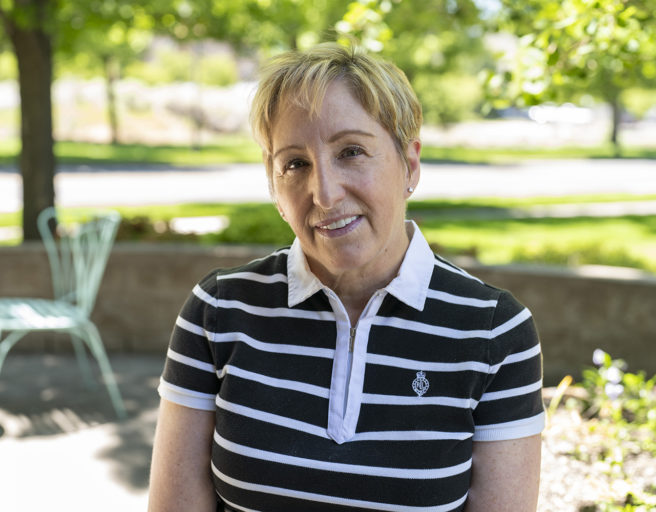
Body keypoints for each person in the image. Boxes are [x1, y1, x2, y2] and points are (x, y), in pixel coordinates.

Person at [148, 43, 544, 512]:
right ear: (274, 187)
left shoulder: (494, 332)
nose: (325, 193)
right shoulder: (219, 311)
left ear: (410, 164)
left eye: (351, 151)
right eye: (295, 164)